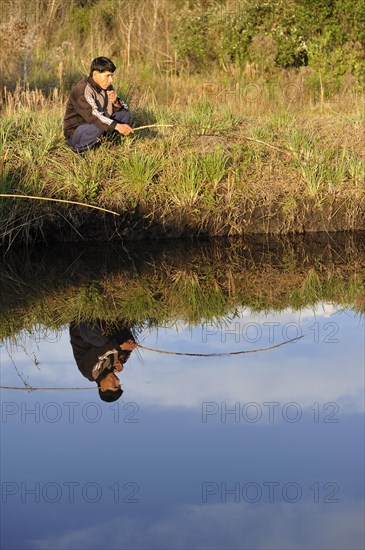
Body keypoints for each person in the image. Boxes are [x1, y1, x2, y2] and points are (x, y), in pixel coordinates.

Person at [64, 56, 134, 153]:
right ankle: (79, 151)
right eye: (107, 76)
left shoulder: (107, 86)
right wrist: (117, 126)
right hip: (76, 134)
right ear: (95, 74)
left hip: (97, 126)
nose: (111, 80)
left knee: (124, 115)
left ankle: (104, 142)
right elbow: (94, 117)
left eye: (112, 76)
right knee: (98, 126)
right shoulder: (82, 90)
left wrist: (116, 103)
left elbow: (125, 108)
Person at [69, 320, 137, 402]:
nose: (117, 381)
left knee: (103, 342)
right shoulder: (111, 368)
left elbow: (100, 352)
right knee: (128, 342)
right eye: (119, 385)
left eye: (114, 385)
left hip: (80, 328)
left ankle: (88, 315)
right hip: (99, 332)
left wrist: (120, 348)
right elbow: (121, 348)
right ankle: (110, 317)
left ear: (103, 388)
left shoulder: (90, 372)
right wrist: (121, 359)